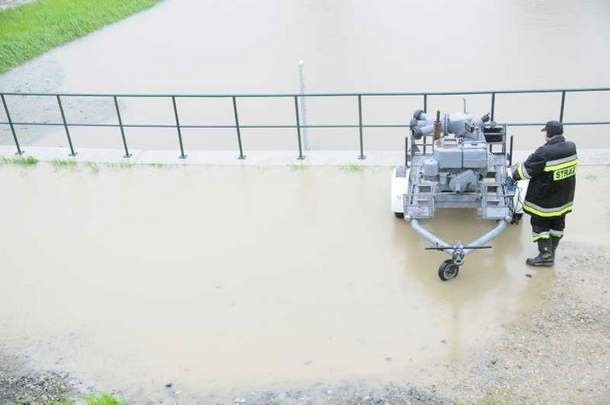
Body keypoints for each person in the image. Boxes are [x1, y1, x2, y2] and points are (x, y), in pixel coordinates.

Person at [511, 121, 577, 266]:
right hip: (564, 198)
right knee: (558, 224)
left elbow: (524, 172)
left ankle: (546, 256)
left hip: (545, 200)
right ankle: (552, 251)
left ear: (549, 133)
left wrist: (512, 174)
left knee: (540, 226)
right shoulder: (572, 147)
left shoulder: (544, 152)